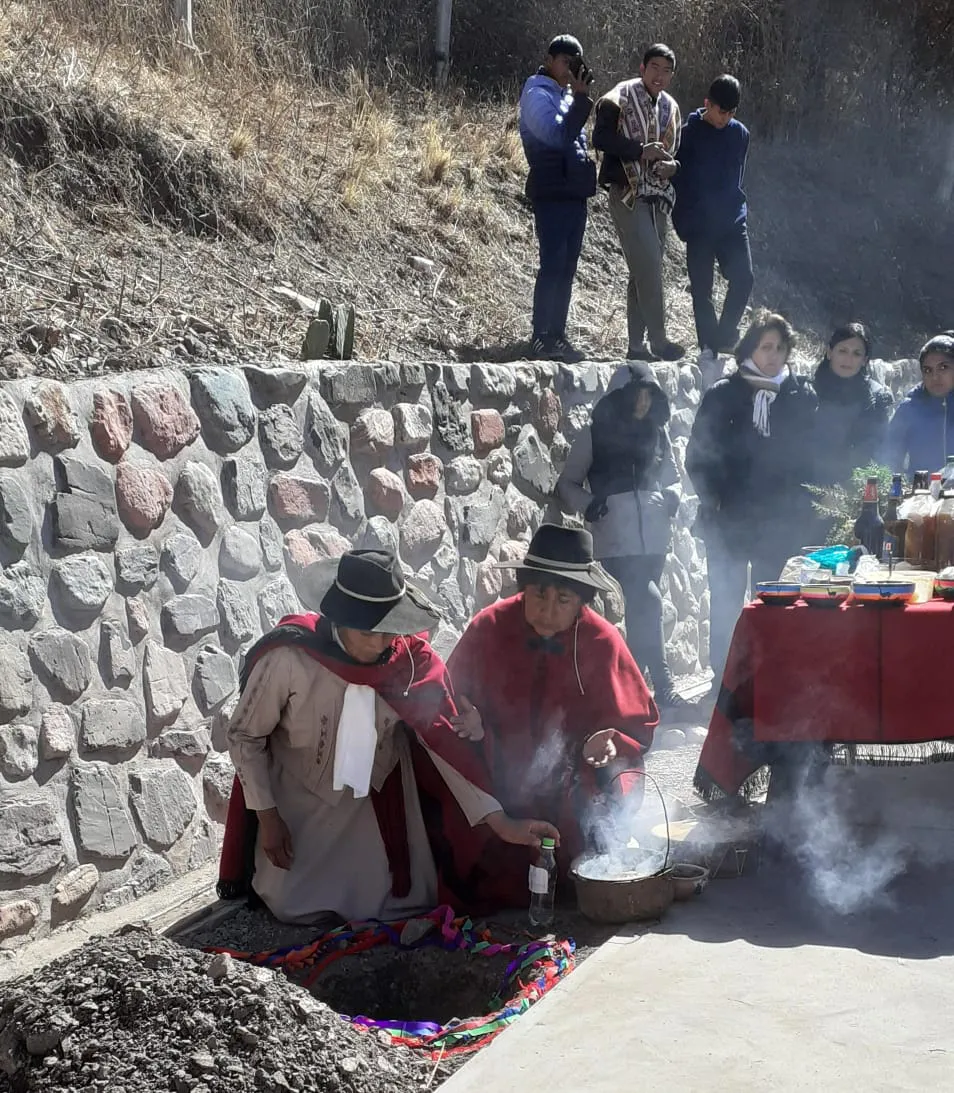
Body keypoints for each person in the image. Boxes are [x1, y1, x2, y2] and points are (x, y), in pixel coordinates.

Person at [217, 549, 558, 924]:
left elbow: (446, 748)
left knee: (398, 905)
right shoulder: (289, 658)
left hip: (378, 802)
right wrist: (268, 817)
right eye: (368, 632)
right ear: (340, 619)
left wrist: (501, 822)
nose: (381, 643)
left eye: (390, 629)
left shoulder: (411, 664)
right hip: (300, 802)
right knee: (292, 907)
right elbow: (244, 736)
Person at [446, 524, 659, 908]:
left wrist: (611, 742)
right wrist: (472, 723)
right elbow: (449, 699)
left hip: (572, 782)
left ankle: (587, 868)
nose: (547, 611)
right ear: (523, 588)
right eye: (538, 594)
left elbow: (636, 725)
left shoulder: (601, 641)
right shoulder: (488, 627)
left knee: (593, 812)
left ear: (582, 601)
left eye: (563, 599)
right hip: (500, 774)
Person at [556, 362, 697, 718]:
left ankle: (632, 695)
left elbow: (674, 478)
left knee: (641, 610)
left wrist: (672, 495)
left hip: (655, 539)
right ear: (619, 396)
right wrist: (590, 505)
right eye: (636, 395)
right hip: (614, 541)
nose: (643, 403)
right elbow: (567, 483)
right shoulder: (594, 435)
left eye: (649, 395)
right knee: (648, 600)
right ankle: (662, 686)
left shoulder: (658, 434)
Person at [686, 311, 818, 683]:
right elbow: (697, 455)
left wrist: (799, 508)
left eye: (780, 348)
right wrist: (714, 499)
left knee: (775, 601)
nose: (773, 355)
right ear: (750, 350)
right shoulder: (724, 394)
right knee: (726, 600)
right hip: (728, 517)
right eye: (766, 347)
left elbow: (810, 459)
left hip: (778, 521)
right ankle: (725, 679)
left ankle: (770, 676)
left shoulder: (800, 395)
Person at [593, 44, 685, 362]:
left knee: (642, 270)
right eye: (655, 67)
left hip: (658, 197)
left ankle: (635, 347)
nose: (660, 75)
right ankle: (659, 341)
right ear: (642, 68)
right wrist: (639, 150)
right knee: (649, 265)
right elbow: (600, 137)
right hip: (627, 193)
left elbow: (677, 155)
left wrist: (673, 166)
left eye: (667, 70)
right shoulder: (620, 96)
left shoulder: (671, 107)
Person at [519, 34, 598, 364]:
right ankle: (541, 337)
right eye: (565, 62)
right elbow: (554, 137)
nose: (570, 69)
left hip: (573, 192)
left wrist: (578, 98)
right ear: (549, 60)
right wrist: (580, 100)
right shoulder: (536, 93)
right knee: (552, 265)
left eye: (575, 64)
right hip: (551, 191)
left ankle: (558, 335)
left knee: (567, 267)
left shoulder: (567, 95)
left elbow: (575, 145)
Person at [672, 74, 754, 386]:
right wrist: (685, 220)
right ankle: (708, 345)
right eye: (721, 111)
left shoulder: (740, 134)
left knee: (744, 278)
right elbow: (679, 180)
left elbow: (737, 177)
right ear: (707, 104)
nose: (725, 118)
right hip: (699, 224)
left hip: (732, 220)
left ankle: (725, 335)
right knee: (702, 287)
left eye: (731, 113)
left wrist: (733, 209)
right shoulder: (687, 134)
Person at [812, 323, 894, 485]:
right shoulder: (808, 392)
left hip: (857, 487)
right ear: (829, 352)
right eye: (842, 351)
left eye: (856, 354)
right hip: (807, 487)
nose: (848, 359)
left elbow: (876, 452)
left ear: (864, 360)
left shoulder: (876, 399)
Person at [885, 331, 954, 474]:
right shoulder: (909, 408)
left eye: (943, 367)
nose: (935, 377)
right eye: (928, 370)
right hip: (921, 487)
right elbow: (888, 460)